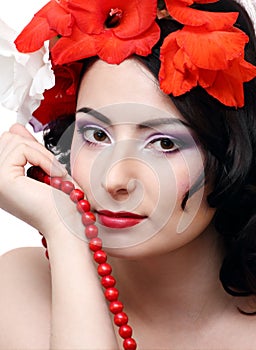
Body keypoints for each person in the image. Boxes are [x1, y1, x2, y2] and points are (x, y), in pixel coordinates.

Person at [0, 0, 256, 349]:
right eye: (96, 135)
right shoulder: (20, 287)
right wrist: (64, 231)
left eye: (164, 143)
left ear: (232, 152)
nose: (114, 180)